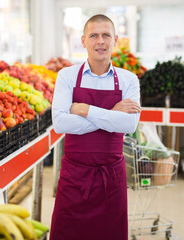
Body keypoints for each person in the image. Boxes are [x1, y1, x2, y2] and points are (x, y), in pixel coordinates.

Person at [50, 14, 141, 240]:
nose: (100, 41)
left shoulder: (129, 80)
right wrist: (112, 115)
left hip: (111, 180)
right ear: (83, 40)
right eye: (93, 35)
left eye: (106, 35)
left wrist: (84, 109)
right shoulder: (67, 76)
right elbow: (60, 123)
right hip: (74, 178)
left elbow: (128, 124)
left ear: (115, 40)